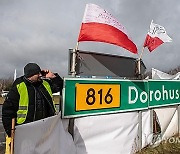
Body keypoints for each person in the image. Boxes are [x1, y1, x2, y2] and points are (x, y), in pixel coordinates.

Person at [2, 63, 63, 137]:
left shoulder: (45, 84)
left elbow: (60, 86)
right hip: (26, 129)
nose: (40, 75)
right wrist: (10, 132)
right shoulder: (19, 87)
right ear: (30, 75)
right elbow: (8, 110)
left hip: (46, 127)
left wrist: (53, 76)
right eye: (37, 73)